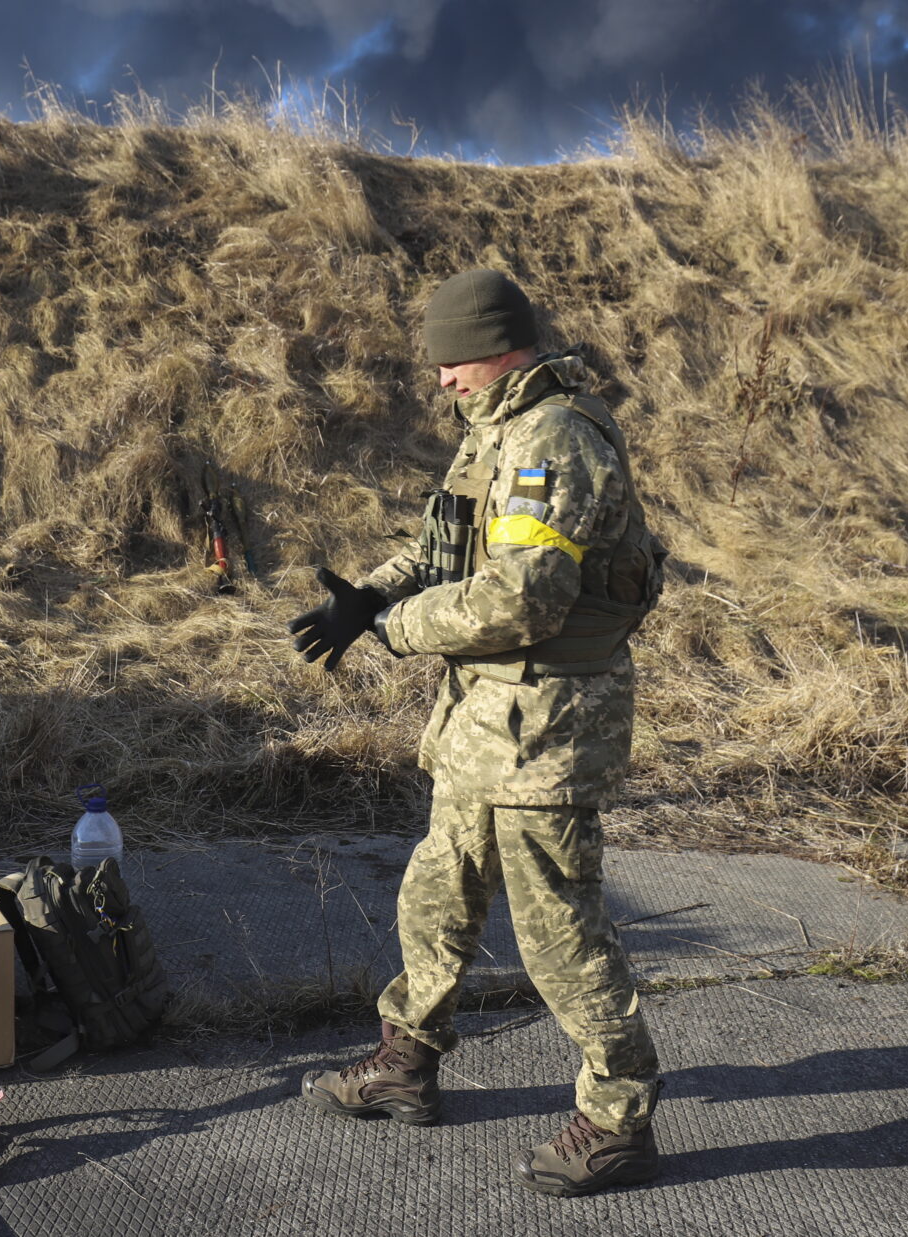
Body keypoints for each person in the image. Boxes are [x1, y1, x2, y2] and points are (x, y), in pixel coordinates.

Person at [288, 267, 669, 1197]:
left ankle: (620, 1117)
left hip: (548, 727)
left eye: (451, 362)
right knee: (437, 893)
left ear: (497, 347)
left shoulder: (556, 439)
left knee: (558, 931)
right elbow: (440, 548)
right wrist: (371, 593)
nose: (442, 381)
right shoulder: (494, 433)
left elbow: (524, 598)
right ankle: (405, 1064)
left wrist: (396, 629)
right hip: (480, 723)